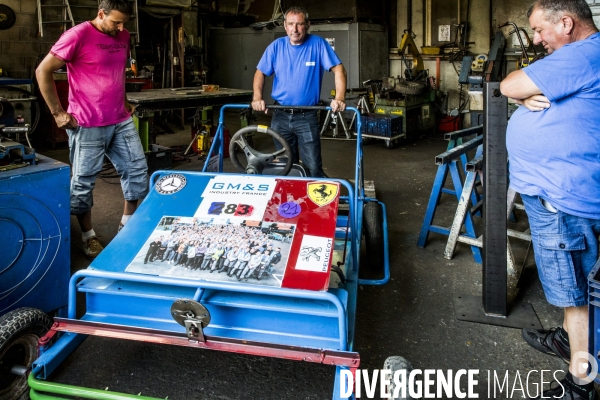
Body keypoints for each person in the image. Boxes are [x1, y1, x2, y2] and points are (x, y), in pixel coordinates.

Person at [500, 1, 600, 399]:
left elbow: (510, 84)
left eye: (541, 30)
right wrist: (526, 99)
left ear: (567, 23)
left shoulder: (582, 54)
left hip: (563, 197)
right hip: (566, 190)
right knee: (574, 283)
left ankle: (582, 385)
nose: (537, 39)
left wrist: (521, 95)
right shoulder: (581, 56)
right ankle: (567, 339)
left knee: (574, 293)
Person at [36, 0, 148, 258]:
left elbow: (114, 70)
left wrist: (122, 99)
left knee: (137, 171)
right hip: (86, 122)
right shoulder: (77, 35)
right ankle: (88, 237)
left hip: (119, 119)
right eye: (115, 21)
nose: (120, 27)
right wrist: (57, 113)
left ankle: (127, 226)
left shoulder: (123, 35)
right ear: (101, 13)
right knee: (84, 183)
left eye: (124, 23)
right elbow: (43, 71)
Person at [251, 6, 347, 177]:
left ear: (307, 25)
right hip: (280, 114)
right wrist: (257, 97)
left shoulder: (318, 44)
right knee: (286, 166)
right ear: (284, 25)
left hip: (307, 116)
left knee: (313, 167)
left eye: (300, 24)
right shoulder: (276, 47)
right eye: (291, 24)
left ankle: (319, 200)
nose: (295, 29)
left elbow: (339, 70)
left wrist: (339, 98)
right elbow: (260, 73)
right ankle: (292, 203)